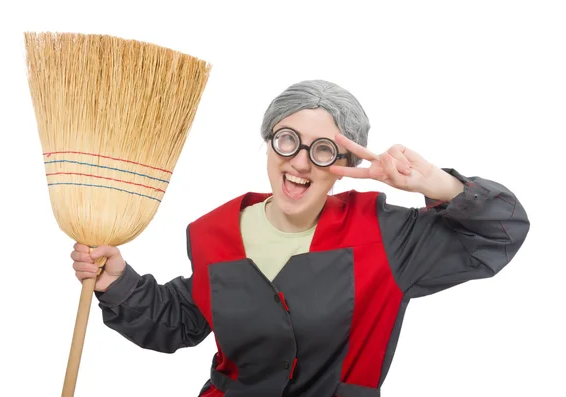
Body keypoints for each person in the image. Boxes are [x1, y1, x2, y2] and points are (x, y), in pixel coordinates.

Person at [71, 80, 530, 397]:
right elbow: (183, 320)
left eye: (324, 149)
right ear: (269, 142)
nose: (301, 162)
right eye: (288, 140)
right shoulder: (213, 231)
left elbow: (498, 232)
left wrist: (433, 184)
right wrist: (117, 282)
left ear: (346, 162)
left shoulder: (387, 236)